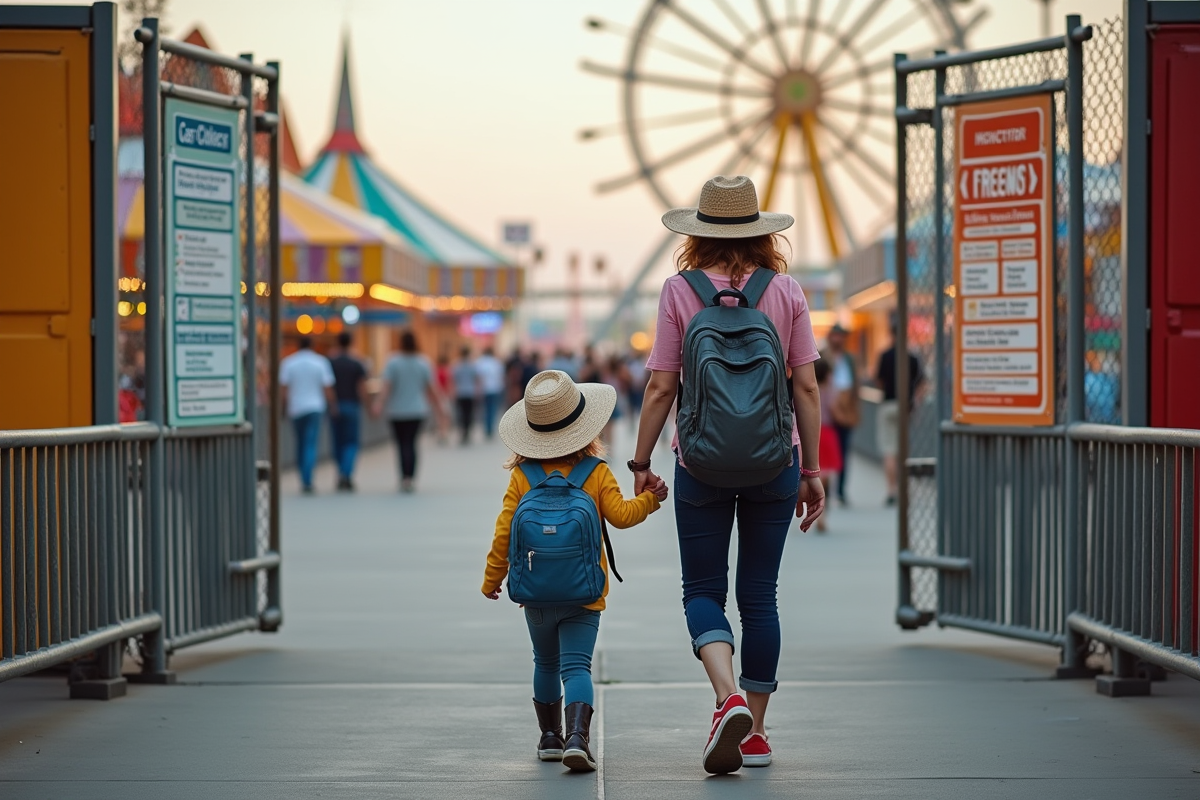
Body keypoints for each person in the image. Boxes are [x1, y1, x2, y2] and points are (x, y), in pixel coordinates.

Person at [631, 175, 824, 774]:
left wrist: (641, 463)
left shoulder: (678, 290)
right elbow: (806, 388)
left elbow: (661, 387)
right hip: (775, 461)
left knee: (702, 592)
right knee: (760, 596)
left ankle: (726, 697)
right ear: (761, 232)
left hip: (700, 463)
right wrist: (811, 469)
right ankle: (756, 734)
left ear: (698, 233)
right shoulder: (786, 291)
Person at [482, 370, 667, 771]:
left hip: (536, 594)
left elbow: (504, 532)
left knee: (545, 663)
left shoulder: (523, 476)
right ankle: (578, 739)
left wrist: (492, 579)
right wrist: (651, 500)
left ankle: (550, 737)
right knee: (576, 666)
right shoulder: (595, 472)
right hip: (584, 593)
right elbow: (621, 516)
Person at [375, 331, 443, 493]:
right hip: (417, 410)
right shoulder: (423, 362)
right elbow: (431, 388)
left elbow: (386, 386)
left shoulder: (393, 362)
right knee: (411, 443)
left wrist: (379, 403)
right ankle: (410, 477)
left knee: (401, 444)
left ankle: (403, 476)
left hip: (397, 411)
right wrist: (440, 407)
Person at [874, 323, 923, 506]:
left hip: (888, 403)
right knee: (903, 449)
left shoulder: (885, 355)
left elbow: (878, 380)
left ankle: (891, 490)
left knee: (889, 450)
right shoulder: (912, 357)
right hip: (905, 406)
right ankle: (904, 490)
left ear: (891, 334)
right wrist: (914, 399)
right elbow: (921, 382)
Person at [279, 337, 336, 495]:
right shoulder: (320, 362)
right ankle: (308, 478)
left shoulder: (289, 363)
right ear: (312, 346)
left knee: (300, 443)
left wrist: (283, 408)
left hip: (296, 408)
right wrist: (332, 406)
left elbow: (284, 389)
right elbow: (327, 387)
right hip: (315, 407)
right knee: (310, 444)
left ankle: (303, 477)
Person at [824, 323, 859, 506]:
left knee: (844, 451)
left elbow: (855, 384)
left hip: (845, 407)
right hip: (827, 409)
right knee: (825, 453)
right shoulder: (823, 355)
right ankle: (826, 490)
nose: (840, 339)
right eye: (837, 336)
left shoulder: (849, 359)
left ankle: (840, 490)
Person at [328, 331, 368, 492]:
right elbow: (362, 387)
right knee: (351, 442)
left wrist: (332, 404)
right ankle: (346, 473)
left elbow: (327, 386)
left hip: (336, 406)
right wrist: (368, 405)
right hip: (352, 405)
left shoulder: (330, 362)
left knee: (337, 441)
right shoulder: (356, 362)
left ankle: (340, 472)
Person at [813, 358, 843, 533]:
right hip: (828, 432)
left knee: (816, 472)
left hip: (814, 432)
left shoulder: (811, 389)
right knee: (827, 477)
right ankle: (823, 513)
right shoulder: (830, 391)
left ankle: (818, 513)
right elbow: (835, 411)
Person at [451, 346, 481, 445]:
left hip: (460, 392)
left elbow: (453, 380)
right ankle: (467, 430)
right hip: (470, 392)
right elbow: (477, 379)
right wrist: (478, 391)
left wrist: (453, 392)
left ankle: (463, 430)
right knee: (469, 413)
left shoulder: (456, 365)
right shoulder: (472, 365)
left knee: (461, 413)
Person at [475, 346, 506, 439]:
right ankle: (490, 428)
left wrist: (478, 390)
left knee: (485, 409)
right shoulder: (496, 362)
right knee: (493, 409)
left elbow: (478, 377)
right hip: (495, 389)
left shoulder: (480, 362)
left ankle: (487, 428)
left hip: (484, 389)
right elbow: (501, 376)